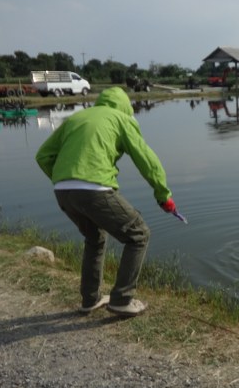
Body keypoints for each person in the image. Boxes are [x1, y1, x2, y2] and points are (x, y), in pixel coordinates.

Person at [35, 87, 179, 317]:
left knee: (94, 238)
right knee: (138, 234)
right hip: (94, 188)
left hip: (62, 190)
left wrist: (64, 179)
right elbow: (147, 160)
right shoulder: (121, 119)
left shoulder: (77, 118)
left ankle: (90, 299)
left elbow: (42, 156)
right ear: (125, 107)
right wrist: (163, 195)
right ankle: (122, 299)